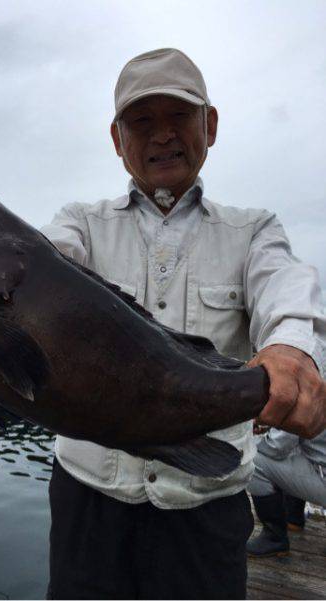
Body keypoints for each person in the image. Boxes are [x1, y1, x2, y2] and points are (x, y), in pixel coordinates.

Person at [40, 48, 326, 600]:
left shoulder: (252, 230)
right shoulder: (81, 225)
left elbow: (285, 285)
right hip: (87, 499)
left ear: (210, 125)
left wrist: (290, 350)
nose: (161, 135)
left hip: (206, 505)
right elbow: (45, 264)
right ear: (117, 139)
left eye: (179, 117)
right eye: (141, 121)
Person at [247, 427, 326, 557]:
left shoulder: (304, 405)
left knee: (252, 459)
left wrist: (248, 441)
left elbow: (276, 446)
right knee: (297, 438)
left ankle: (274, 539)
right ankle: (293, 516)